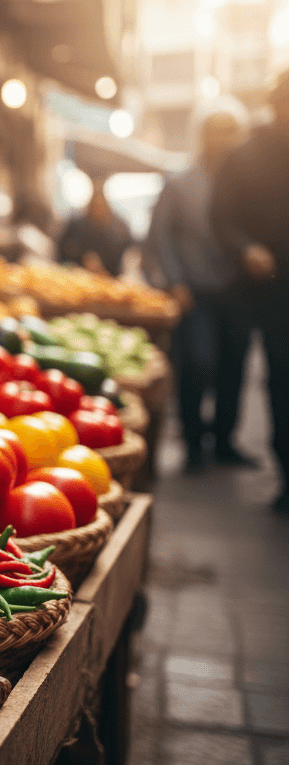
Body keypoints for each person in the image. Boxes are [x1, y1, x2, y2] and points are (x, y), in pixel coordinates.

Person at [149, 100, 255, 472]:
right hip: (195, 290)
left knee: (234, 366)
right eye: (215, 131)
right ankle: (193, 439)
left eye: (230, 131)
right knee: (197, 362)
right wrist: (174, 281)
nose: (222, 139)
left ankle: (224, 440)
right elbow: (159, 238)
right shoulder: (180, 183)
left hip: (237, 289)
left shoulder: (248, 184)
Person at [211, 70, 289, 513]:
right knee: (280, 373)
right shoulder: (244, 156)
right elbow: (222, 217)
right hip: (263, 283)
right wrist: (246, 248)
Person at [57, 181, 132, 276]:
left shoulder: (118, 234)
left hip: (106, 282)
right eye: (95, 206)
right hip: (73, 278)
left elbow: (121, 268)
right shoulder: (75, 227)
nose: (98, 210)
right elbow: (60, 261)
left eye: (101, 206)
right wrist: (74, 267)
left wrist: (105, 272)